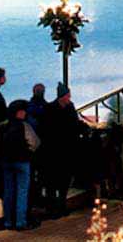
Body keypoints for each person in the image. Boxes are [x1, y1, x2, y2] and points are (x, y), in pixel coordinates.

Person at [0, 99, 40, 230]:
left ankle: (8, 221)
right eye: (23, 111)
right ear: (18, 113)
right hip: (22, 162)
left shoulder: (1, 126)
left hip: (6, 163)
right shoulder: (24, 126)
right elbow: (34, 143)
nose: (25, 113)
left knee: (8, 192)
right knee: (22, 192)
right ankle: (20, 222)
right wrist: (28, 153)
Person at [41, 83, 83, 218]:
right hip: (53, 151)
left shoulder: (69, 107)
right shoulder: (50, 109)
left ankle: (61, 205)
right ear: (62, 97)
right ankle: (52, 208)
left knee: (64, 181)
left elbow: (76, 124)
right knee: (52, 182)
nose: (69, 98)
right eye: (68, 96)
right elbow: (46, 130)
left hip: (67, 150)